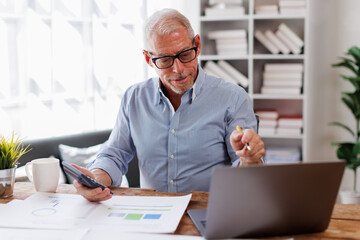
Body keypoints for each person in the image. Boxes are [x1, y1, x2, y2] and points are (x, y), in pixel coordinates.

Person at [73, 8, 265, 202]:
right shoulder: (134, 98)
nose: (178, 69)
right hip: (152, 215)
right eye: (165, 60)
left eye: (185, 54)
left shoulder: (233, 98)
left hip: (209, 213)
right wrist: (96, 178)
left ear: (197, 45)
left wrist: (249, 159)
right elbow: (115, 153)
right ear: (149, 59)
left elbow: (246, 173)